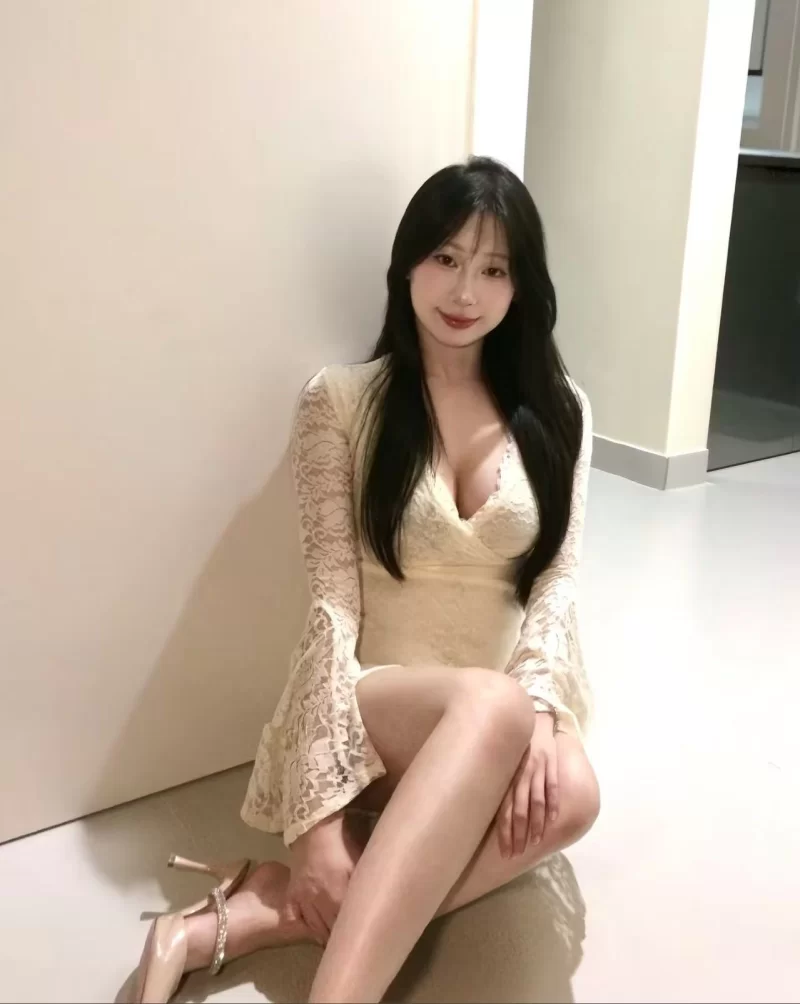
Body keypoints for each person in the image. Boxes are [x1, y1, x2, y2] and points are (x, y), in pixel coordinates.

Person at [132, 156, 600, 1004]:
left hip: (490, 720)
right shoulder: (341, 401)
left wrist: (538, 706)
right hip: (368, 710)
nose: (466, 291)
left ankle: (270, 911)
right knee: (491, 708)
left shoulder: (561, 410)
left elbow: (556, 583)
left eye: (495, 269)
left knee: (574, 795)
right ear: (407, 264)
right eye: (446, 258)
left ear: (523, 286)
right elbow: (329, 604)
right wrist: (316, 818)